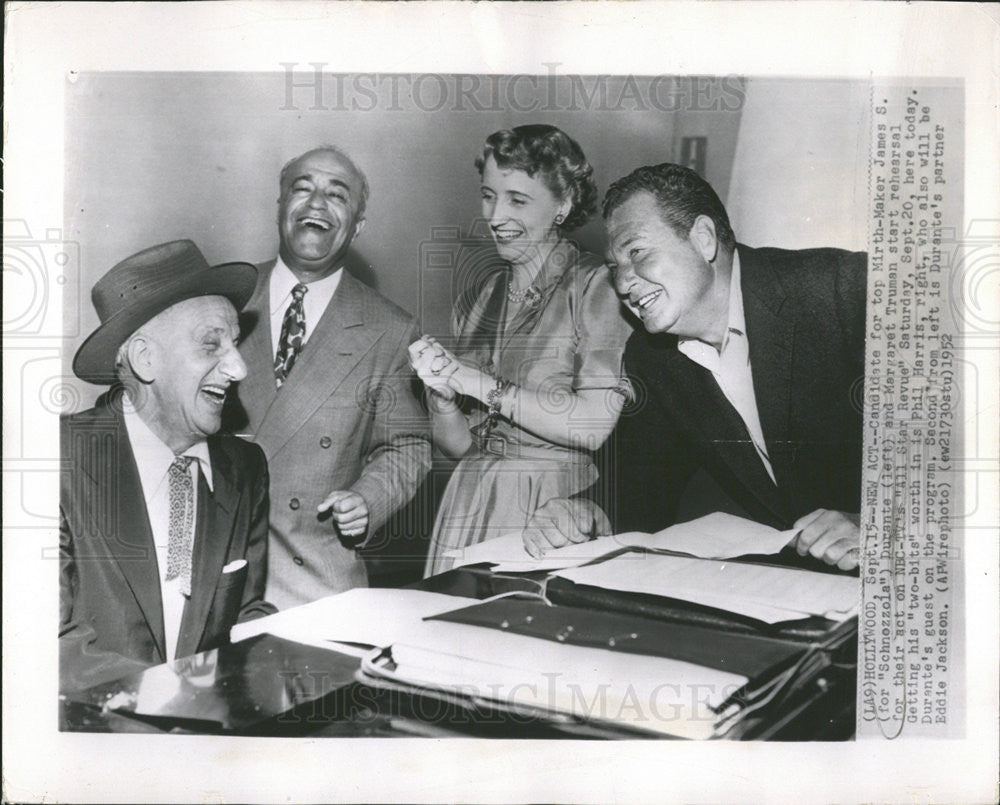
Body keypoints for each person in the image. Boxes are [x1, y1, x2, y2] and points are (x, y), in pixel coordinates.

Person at [525, 162, 866, 571]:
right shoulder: (651, 355)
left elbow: (953, 444)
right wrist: (587, 512)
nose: (622, 283)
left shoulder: (841, 290)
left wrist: (879, 525)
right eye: (614, 267)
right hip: (801, 586)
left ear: (704, 239)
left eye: (637, 252)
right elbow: (640, 480)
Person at [409, 125, 634, 575]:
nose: (494, 216)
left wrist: (474, 380)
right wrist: (444, 399)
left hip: (554, 507)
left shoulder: (596, 287)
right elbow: (463, 447)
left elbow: (593, 426)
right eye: (488, 196)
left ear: (563, 204)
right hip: (470, 500)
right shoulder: (480, 299)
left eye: (517, 199)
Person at [61, 240, 276, 693]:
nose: (238, 368)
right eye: (210, 345)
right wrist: (162, 699)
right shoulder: (55, 462)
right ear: (145, 359)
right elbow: (43, 641)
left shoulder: (245, 468)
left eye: (235, 345)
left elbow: (247, 611)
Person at [226, 145, 431, 609]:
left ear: (356, 226)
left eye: (337, 195)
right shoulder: (224, 300)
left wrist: (368, 498)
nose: (316, 202)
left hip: (316, 579)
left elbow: (407, 445)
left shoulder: (389, 328)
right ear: (281, 208)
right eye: (302, 188)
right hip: (218, 572)